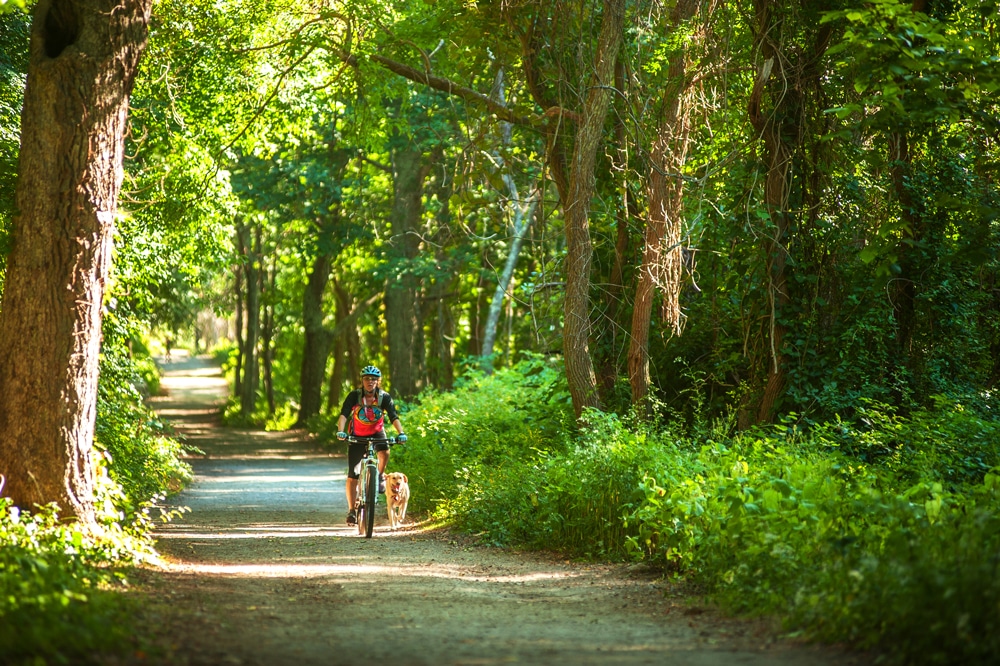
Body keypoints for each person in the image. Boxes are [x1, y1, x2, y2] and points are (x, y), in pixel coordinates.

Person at [336, 365, 407, 525]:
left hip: (377, 432)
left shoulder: (384, 397)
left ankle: (380, 475)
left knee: (385, 452)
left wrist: (401, 433)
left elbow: (393, 416)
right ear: (362, 380)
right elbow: (343, 414)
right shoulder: (354, 395)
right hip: (357, 435)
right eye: (367, 378)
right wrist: (341, 431)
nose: (370, 381)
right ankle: (352, 511)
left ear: (378, 381)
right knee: (353, 474)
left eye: (374, 379)